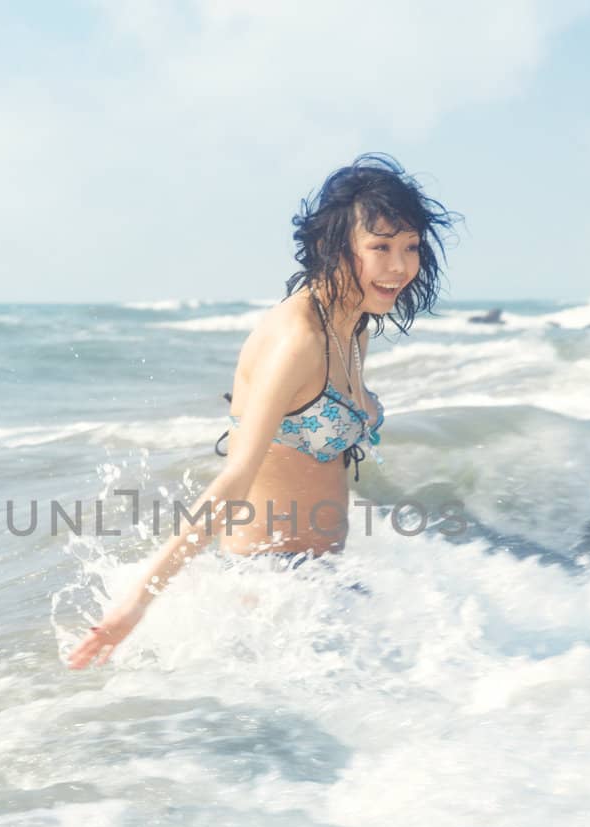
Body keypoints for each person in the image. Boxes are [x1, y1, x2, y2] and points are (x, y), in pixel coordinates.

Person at [66, 154, 456, 670]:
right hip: (270, 591)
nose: (401, 266)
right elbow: (234, 480)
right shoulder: (297, 340)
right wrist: (137, 603)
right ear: (334, 245)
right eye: (379, 247)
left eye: (410, 247)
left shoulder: (354, 323)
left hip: (317, 581)